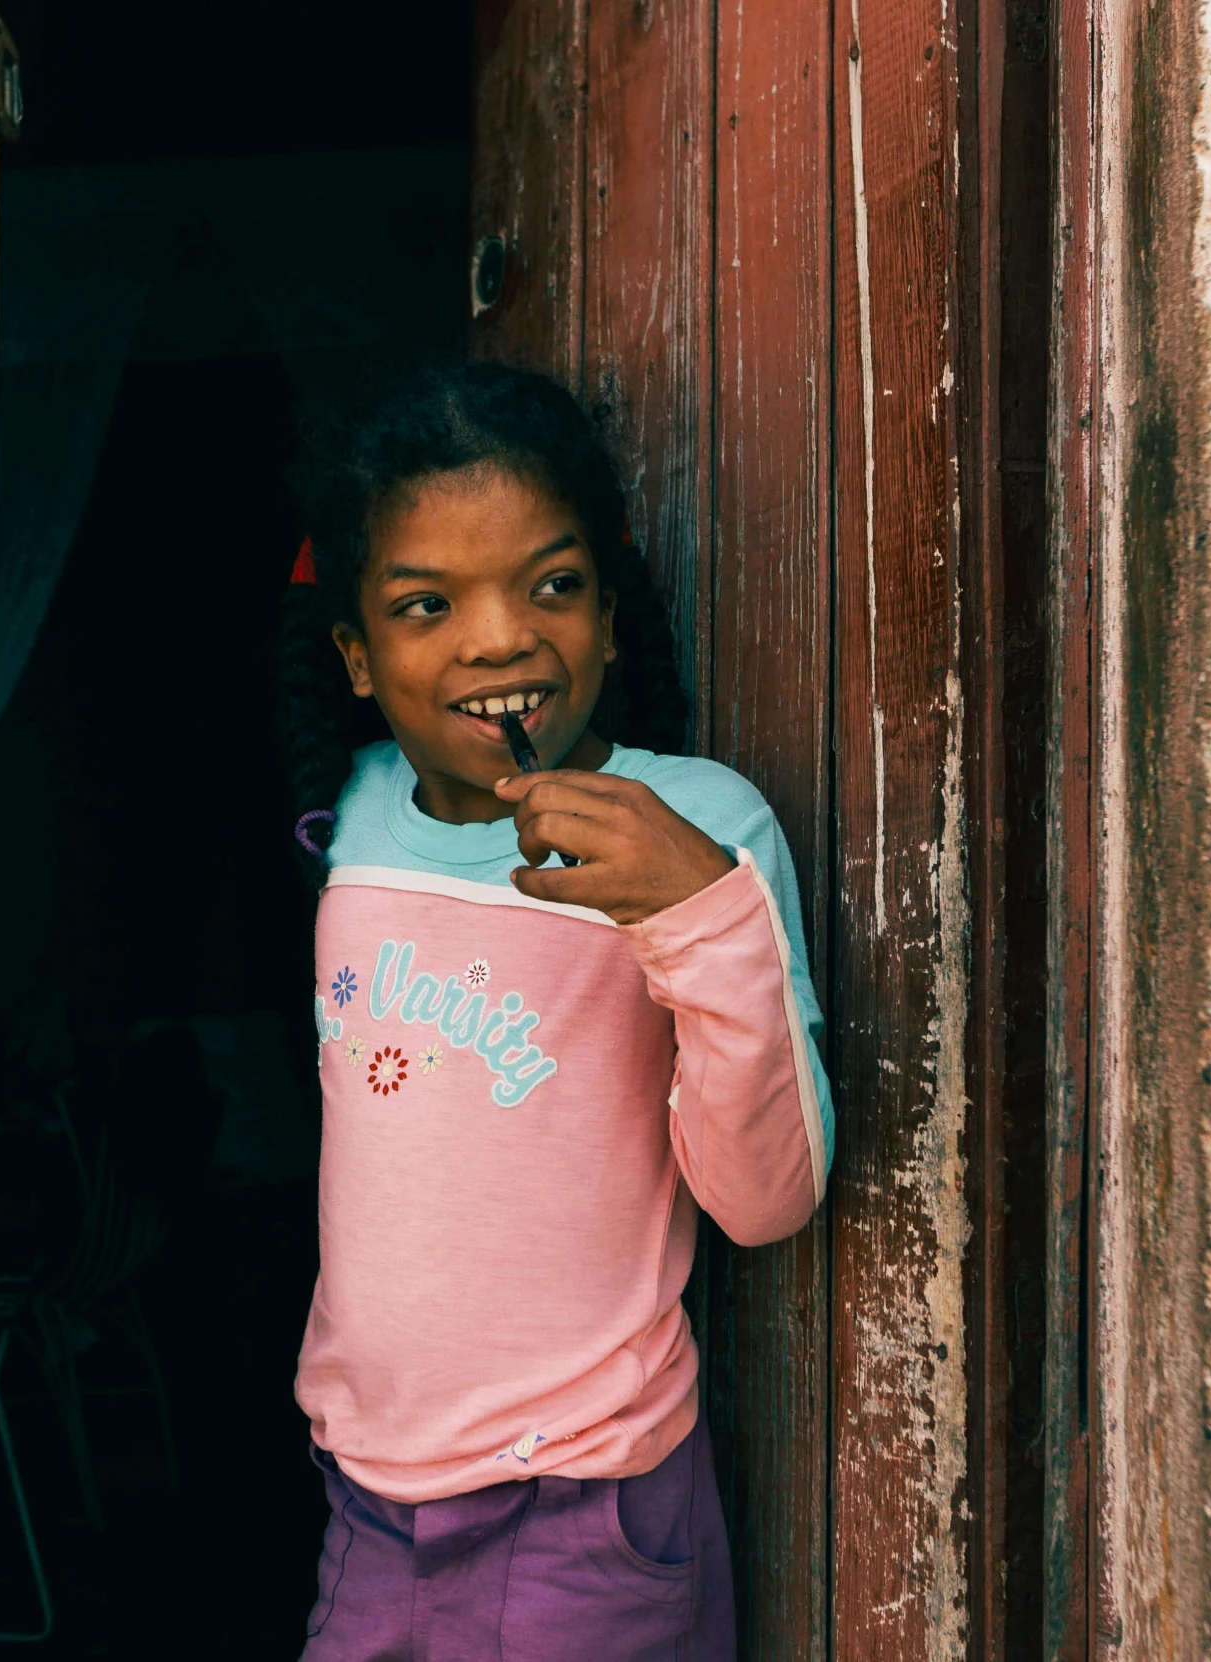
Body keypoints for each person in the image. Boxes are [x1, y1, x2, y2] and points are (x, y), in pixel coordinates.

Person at [277, 362, 834, 1660]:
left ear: (612, 615)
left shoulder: (697, 825)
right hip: (366, 1496)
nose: (499, 638)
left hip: (585, 1506)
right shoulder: (349, 820)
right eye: (426, 604)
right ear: (357, 654)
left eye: (554, 584)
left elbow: (767, 1198)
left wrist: (697, 906)